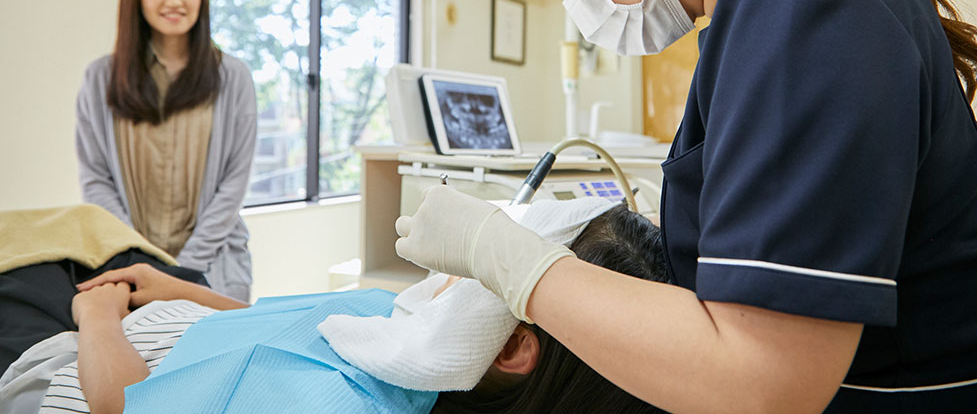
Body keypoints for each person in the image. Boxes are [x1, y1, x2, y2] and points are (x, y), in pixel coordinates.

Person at [394, 0, 977, 413]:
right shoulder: (764, 6)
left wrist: (506, 258)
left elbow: (763, 382)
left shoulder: (801, 4)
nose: (571, 0)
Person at [0, 203, 666, 414]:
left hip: (77, 367)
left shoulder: (342, 404)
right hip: (165, 315)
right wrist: (182, 292)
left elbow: (124, 404)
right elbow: (280, 326)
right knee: (88, 224)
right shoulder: (412, 343)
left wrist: (97, 320)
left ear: (512, 345)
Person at [75, 0, 257, 301]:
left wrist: (183, 269)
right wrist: (142, 259)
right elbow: (96, 179)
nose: (174, 1)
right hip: (127, 268)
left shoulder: (232, 76)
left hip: (215, 268)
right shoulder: (101, 78)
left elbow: (234, 183)